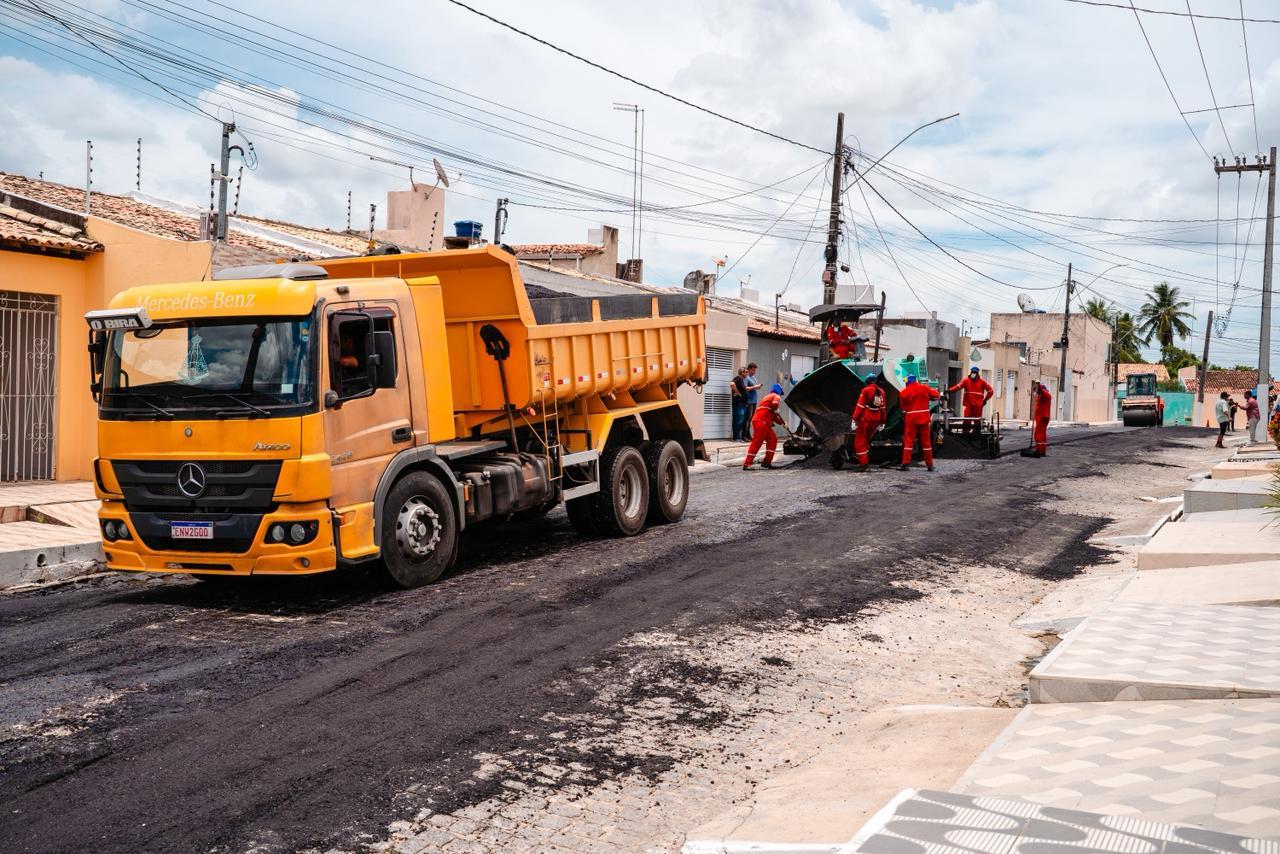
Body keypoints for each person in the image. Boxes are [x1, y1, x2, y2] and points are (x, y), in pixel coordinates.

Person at [897, 375, 940, 472]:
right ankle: (930, 465)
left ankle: (905, 464)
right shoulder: (924, 388)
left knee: (909, 442)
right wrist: (928, 398)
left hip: (911, 419)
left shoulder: (903, 393)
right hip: (924, 418)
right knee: (926, 442)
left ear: (907, 382)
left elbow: (903, 408)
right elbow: (936, 395)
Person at [743, 383, 786, 471]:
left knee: (772, 439)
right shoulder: (775, 396)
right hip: (762, 422)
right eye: (781, 393)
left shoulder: (767, 397)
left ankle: (767, 462)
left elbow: (773, 416)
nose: (780, 395)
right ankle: (747, 463)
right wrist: (776, 409)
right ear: (779, 391)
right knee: (757, 442)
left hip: (762, 421)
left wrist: (782, 423)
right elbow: (775, 404)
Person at [850, 373, 886, 471]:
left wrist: (854, 419)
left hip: (865, 420)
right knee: (866, 441)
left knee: (859, 442)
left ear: (867, 381)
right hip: (876, 421)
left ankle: (863, 464)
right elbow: (883, 408)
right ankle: (864, 460)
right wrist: (883, 422)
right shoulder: (882, 392)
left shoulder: (865, 390)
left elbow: (860, 406)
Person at [947, 366, 994, 435]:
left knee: (977, 420)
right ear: (970, 372)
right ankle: (965, 433)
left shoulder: (982, 382)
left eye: (975, 372)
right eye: (972, 372)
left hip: (978, 405)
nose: (973, 374)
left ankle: (977, 433)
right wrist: (949, 390)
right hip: (969, 404)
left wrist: (985, 399)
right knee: (967, 420)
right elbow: (958, 386)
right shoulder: (966, 381)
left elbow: (990, 391)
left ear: (978, 374)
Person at [1024, 380, 1052, 457]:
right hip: (1044, 416)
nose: (1037, 393)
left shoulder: (1045, 394)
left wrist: (1037, 384)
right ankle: (1042, 450)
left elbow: (1039, 389)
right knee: (1043, 434)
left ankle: (1039, 450)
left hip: (1042, 417)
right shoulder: (1044, 395)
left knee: (1038, 434)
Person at [743, 363, 762, 440]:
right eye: (753, 370)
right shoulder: (746, 378)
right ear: (749, 369)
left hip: (754, 401)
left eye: (755, 370)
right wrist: (755, 387)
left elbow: (754, 387)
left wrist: (758, 387)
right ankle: (744, 435)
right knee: (747, 419)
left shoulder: (754, 378)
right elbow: (745, 388)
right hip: (749, 401)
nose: (754, 372)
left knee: (751, 419)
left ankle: (748, 434)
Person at [730, 368, 750, 442]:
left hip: (742, 404)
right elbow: (732, 384)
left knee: (740, 420)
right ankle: (736, 437)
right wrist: (738, 393)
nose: (747, 373)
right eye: (746, 372)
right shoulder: (738, 378)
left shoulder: (741, 380)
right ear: (742, 373)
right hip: (738, 404)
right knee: (738, 420)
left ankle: (737, 437)